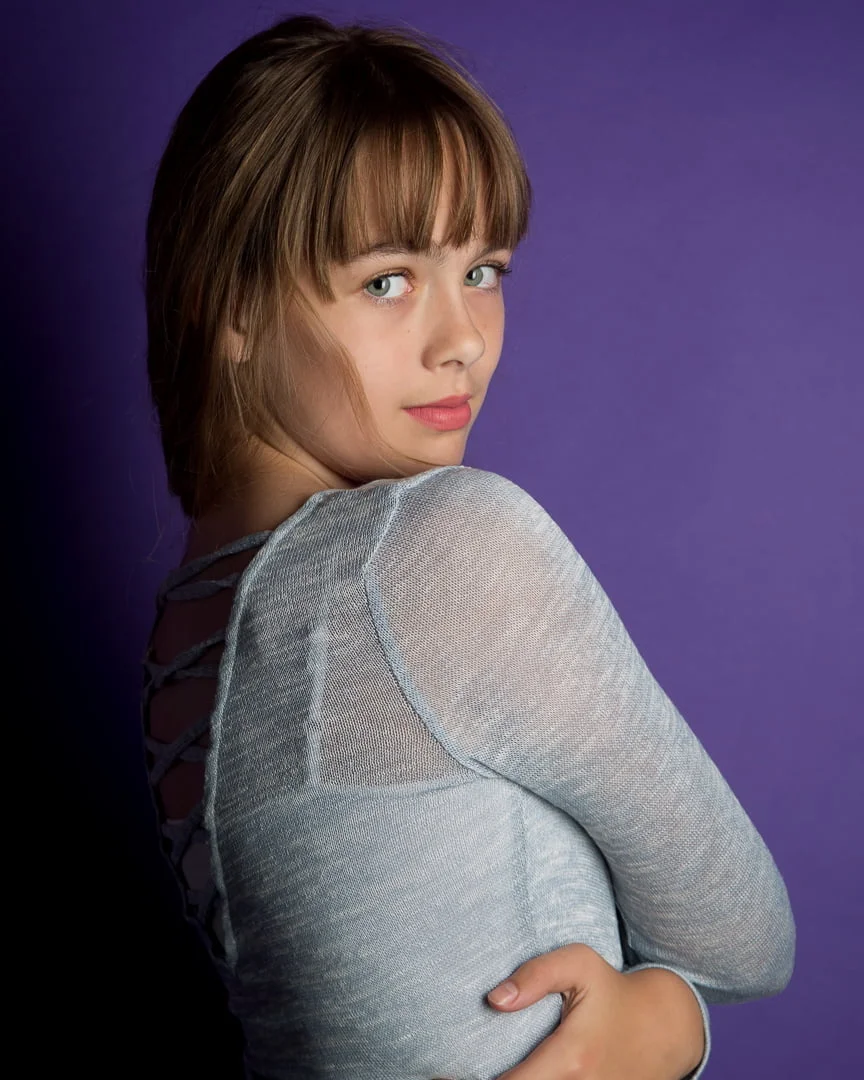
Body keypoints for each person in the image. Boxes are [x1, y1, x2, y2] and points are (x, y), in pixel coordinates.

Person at [140, 13, 795, 1080]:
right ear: (233, 302)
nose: (464, 343)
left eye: (482, 270)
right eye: (387, 280)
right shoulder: (444, 547)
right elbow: (748, 938)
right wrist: (671, 1019)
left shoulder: (183, 632)